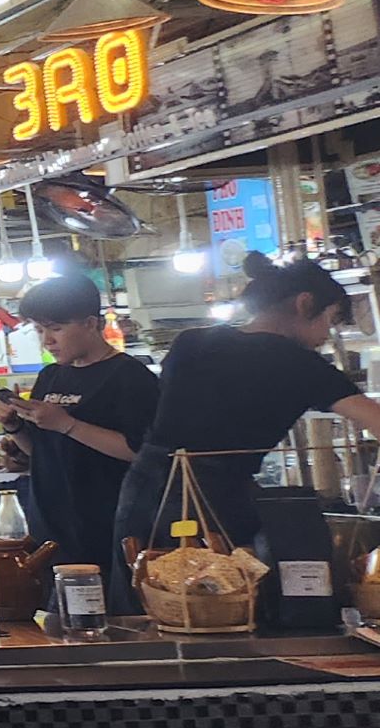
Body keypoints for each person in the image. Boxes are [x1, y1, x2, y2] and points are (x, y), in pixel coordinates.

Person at [113, 252, 380, 604]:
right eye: (330, 321)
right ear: (304, 303)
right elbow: (374, 419)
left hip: (142, 485)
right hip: (211, 495)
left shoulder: (191, 342)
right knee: (219, 602)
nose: (325, 337)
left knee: (141, 592)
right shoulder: (300, 364)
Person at [0, 271, 158, 567]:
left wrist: (68, 424)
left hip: (108, 526)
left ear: (90, 324)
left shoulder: (129, 376)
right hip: (50, 526)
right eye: (39, 330)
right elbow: (42, 451)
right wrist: (14, 425)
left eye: (56, 329)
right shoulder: (51, 376)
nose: (48, 341)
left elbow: (140, 452)